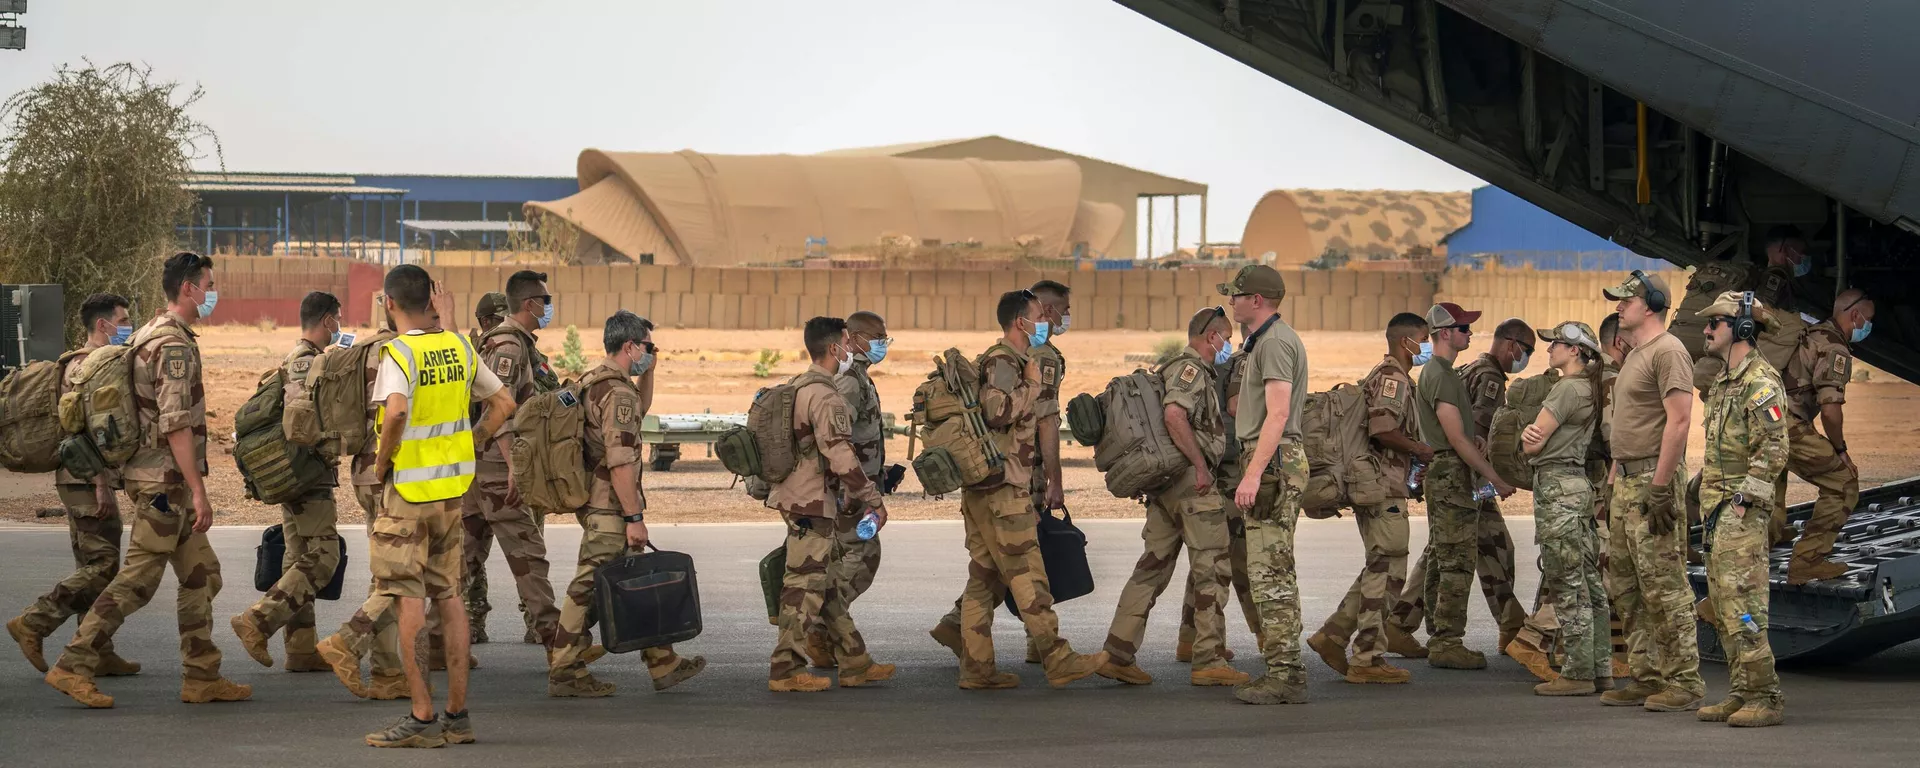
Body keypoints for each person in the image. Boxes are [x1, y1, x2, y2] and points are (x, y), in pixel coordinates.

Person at [44, 252, 251, 709]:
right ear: (188, 288)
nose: (211, 293)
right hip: (165, 483)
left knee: (202, 574)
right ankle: (73, 663)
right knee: (138, 579)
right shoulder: (171, 344)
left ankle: (202, 675)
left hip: (156, 478)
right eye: (208, 284)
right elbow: (176, 423)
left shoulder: (145, 335)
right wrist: (199, 491)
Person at [361, 264, 517, 748]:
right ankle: (458, 716)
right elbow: (504, 404)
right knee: (449, 598)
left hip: (408, 493)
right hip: (452, 492)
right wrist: (473, 442)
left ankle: (422, 718)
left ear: (389, 303)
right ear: (431, 298)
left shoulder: (398, 353)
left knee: (409, 598)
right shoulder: (459, 347)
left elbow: (398, 412)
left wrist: (381, 462)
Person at [941, 291, 1107, 690]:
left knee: (983, 578)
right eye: (1038, 317)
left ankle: (977, 669)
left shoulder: (1010, 361)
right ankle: (1057, 656)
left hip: (991, 487)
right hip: (1003, 490)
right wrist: (1031, 387)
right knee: (1029, 574)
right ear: (1021, 322)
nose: (1044, 322)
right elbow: (995, 411)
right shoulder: (1004, 362)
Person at [547, 311, 705, 697]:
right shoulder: (616, 392)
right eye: (647, 348)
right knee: (587, 587)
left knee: (635, 576)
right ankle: (565, 670)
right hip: (609, 505)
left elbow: (640, 409)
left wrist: (650, 368)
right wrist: (634, 517)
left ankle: (662, 661)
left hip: (599, 501)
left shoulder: (597, 382)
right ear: (630, 346)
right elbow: (620, 460)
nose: (650, 353)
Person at [1096, 307, 1249, 688]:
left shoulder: (1172, 366)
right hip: (1188, 484)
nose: (1227, 345)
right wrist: (1199, 465)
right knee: (1213, 565)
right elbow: (1174, 416)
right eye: (1225, 337)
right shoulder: (1191, 369)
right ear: (1210, 336)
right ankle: (1209, 658)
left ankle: (1117, 653)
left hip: (1166, 486)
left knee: (1151, 568)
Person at [8, 293, 140, 678]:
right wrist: (99, 481)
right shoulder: (87, 367)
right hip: (85, 477)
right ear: (103, 325)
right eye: (123, 319)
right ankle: (34, 621)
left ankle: (98, 649)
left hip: (82, 476)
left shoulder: (82, 362)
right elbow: (78, 431)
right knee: (103, 565)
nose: (126, 326)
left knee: (92, 561)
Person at [765, 317, 897, 692]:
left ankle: (855, 660)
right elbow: (839, 452)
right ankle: (785, 670)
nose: (849, 352)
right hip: (810, 502)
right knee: (802, 588)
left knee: (824, 586)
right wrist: (872, 499)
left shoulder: (799, 386)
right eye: (845, 344)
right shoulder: (824, 394)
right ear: (836, 347)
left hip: (803, 498)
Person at [1599, 270, 1705, 711]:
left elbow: (1679, 421)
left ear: (1653, 304)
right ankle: (1646, 675)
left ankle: (1684, 682)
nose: (1619, 306)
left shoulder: (1669, 352)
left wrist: (1661, 487)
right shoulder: (1638, 355)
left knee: (1665, 585)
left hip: (1652, 482)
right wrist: (1611, 484)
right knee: (1625, 584)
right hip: (1627, 482)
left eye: (1627, 300)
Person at [1307, 311, 1432, 684]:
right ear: (1405, 341)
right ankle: (1367, 658)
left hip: (1380, 484)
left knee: (1381, 567)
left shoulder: (1389, 375)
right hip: (1381, 486)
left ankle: (1332, 636)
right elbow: (1383, 428)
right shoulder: (1393, 377)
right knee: (1387, 569)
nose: (1426, 346)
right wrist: (1418, 449)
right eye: (1423, 339)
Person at [232, 291, 347, 673]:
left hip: (292, 471)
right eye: (337, 319)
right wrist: (330, 445)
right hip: (306, 474)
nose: (339, 327)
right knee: (324, 558)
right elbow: (302, 420)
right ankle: (258, 620)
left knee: (298, 559)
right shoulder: (307, 362)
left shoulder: (299, 358)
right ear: (328, 320)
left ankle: (300, 650)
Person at [1402, 302, 1517, 671]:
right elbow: (1457, 440)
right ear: (1445, 334)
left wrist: (1473, 441)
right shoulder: (1441, 375)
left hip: (1448, 471)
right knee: (1456, 562)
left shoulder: (1445, 373)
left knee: (1441, 555)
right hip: (1452, 475)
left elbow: (1460, 436)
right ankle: (1447, 641)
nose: (1470, 334)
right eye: (1464, 329)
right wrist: (1496, 479)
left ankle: (1438, 633)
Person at [1693, 291, 1789, 727]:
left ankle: (1766, 696)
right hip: (1717, 514)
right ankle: (1741, 691)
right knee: (1724, 605)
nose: (1707, 330)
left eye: (1716, 323)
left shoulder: (1760, 382)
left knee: (1746, 607)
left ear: (1743, 328)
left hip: (1738, 517)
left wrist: (1742, 501)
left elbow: (1773, 448)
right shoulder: (1724, 380)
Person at [1219, 265, 1311, 704]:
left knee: (1270, 573)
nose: (1231, 302)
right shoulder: (1266, 340)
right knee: (1271, 570)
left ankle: (1286, 674)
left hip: (1272, 459)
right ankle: (1284, 668)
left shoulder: (1274, 342)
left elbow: (1277, 413)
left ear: (1257, 300)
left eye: (1236, 296)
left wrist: (1253, 473)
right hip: (1272, 458)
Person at [314, 297, 413, 701]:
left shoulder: (364, 348)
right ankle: (348, 644)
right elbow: (396, 414)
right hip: (391, 471)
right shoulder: (401, 351)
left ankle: (388, 672)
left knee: (388, 572)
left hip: (364, 469)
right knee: (402, 571)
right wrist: (388, 464)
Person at [462, 271, 561, 649]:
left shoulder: (514, 343)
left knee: (461, 561)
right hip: (496, 470)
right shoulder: (509, 347)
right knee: (529, 557)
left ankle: (438, 644)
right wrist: (514, 470)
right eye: (545, 299)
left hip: (478, 468)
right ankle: (561, 652)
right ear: (529, 304)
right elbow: (498, 409)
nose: (548, 306)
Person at [1521, 321, 1608, 696]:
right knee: (1589, 582)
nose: (1549, 348)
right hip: (1577, 486)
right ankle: (1599, 666)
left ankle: (1577, 672)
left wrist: (1528, 437)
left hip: (1557, 488)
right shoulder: (1589, 388)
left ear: (1576, 350)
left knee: (1567, 582)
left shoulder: (1566, 389)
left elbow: (1532, 445)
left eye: (1556, 343)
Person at [805, 309, 890, 669]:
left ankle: (824, 635)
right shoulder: (851, 381)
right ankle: (823, 628)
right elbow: (838, 440)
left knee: (852, 558)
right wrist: (854, 487)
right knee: (862, 559)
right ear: (852, 341)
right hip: (852, 492)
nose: (882, 345)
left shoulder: (860, 377)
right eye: (876, 338)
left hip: (858, 485)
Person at [1777, 289, 1873, 583]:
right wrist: (1840, 451)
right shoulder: (1835, 348)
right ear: (1855, 316)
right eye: (1869, 320)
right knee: (1843, 484)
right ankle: (1808, 559)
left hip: (1764, 418)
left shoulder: (1813, 331)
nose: (1869, 327)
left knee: (1765, 485)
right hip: (1786, 425)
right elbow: (1830, 410)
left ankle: (1767, 538)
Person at [462, 289, 511, 635]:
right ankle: (472, 621)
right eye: (498, 318)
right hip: (492, 460)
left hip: (486, 459)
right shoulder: (486, 353)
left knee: (471, 548)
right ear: (485, 321)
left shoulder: (510, 347)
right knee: (474, 548)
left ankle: (472, 623)